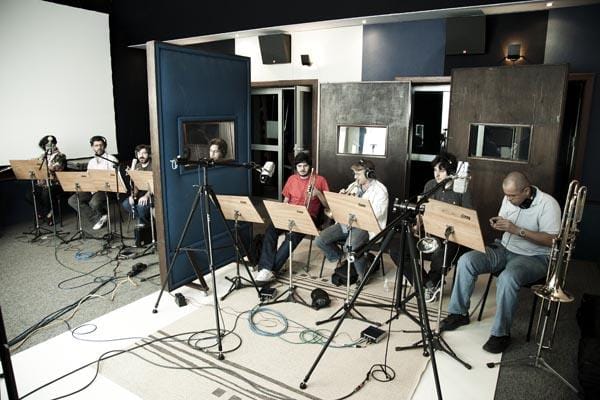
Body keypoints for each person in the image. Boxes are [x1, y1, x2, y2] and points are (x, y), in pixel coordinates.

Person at [439, 171, 561, 354]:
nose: (508, 199)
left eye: (512, 196)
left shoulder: (548, 204)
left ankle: (501, 334)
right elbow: (505, 221)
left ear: (526, 191)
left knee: (507, 278)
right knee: (466, 261)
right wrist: (499, 223)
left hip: (535, 257)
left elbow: (552, 240)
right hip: (504, 248)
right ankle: (458, 313)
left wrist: (518, 230)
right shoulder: (509, 197)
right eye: (506, 195)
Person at [390, 152, 473, 302]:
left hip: (451, 236)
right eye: (435, 170)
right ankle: (426, 283)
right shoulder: (430, 185)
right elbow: (422, 210)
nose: (437, 174)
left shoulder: (462, 189)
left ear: (451, 172)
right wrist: (417, 225)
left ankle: (431, 284)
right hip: (429, 232)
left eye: (441, 171)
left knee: (440, 253)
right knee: (397, 249)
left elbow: (468, 218)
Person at [254, 152, 330, 284]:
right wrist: (281, 214)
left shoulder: (320, 180)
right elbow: (286, 200)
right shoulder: (292, 179)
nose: (302, 169)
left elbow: (327, 205)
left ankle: (270, 270)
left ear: (310, 166)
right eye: (299, 166)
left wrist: (318, 193)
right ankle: (266, 267)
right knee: (271, 230)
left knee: (292, 237)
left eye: (305, 165)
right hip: (290, 213)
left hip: (308, 216)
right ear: (296, 167)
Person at [314, 159, 388, 285]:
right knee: (320, 240)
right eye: (354, 174)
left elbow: (375, 215)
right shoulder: (354, 185)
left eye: (358, 174)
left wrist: (355, 205)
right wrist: (342, 199)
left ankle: (363, 275)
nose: (355, 177)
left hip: (366, 227)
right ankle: (344, 258)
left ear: (369, 174)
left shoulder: (380, 191)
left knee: (350, 247)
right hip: (347, 223)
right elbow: (342, 209)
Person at [67, 136, 119, 230]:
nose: (99, 147)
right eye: (96, 145)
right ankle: (97, 218)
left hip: (106, 189)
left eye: (101, 145)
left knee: (94, 203)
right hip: (92, 188)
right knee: (73, 200)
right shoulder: (91, 162)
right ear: (92, 147)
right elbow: (88, 177)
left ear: (104, 146)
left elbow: (114, 179)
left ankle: (102, 215)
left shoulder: (111, 159)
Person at [25, 135, 67, 225]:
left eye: (51, 144)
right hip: (43, 184)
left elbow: (58, 167)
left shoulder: (61, 156)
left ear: (54, 144)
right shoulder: (42, 156)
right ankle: (45, 213)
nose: (48, 147)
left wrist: (47, 167)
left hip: (56, 184)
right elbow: (37, 167)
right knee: (29, 194)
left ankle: (48, 215)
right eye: (46, 145)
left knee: (46, 192)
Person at [122, 145, 152, 227]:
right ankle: (145, 222)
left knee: (141, 207)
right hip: (140, 193)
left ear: (148, 154)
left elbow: (155, 183)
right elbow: (135, 184)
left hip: (152, 192)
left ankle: (145, 225)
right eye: (139, 153)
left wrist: (146, 196)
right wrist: (133, 195)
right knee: (126, 204)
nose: (141, 156)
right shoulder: (137, 166)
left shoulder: (153, 165)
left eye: (144, 153)